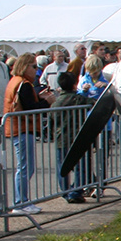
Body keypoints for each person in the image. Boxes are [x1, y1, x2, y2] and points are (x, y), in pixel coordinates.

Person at [3, 52, 51, 215]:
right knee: (25, 167)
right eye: (34, 67)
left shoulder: (16, 81)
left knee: (25, 166)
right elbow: (30, 108)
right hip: (22, 128)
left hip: (20, 128)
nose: (36, 70)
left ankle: (22, 200)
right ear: (25, 67)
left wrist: (39, 98)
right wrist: (46, 102)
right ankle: (20, 202)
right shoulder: (23, 84)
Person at [51, 71, 91, 203]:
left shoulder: (56, 103)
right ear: (75, 85)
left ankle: (66, 191)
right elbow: (93, 102)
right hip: (76, 138)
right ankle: (75, 191)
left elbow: (51, 121)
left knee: (62, 167)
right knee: (82, 166)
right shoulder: (78, 99)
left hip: (60, 138)